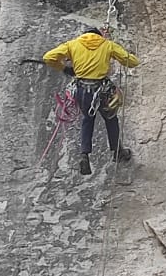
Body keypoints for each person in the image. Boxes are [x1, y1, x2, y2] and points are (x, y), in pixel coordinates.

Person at [43, 28, 139, 175]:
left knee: (87, 119)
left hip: (82, 90)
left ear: (84, 35)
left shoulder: (73, 44)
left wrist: (65, 68)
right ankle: (117, 151)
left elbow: (48, 57)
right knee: (111, 119)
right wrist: (129, 57)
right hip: (102, 90)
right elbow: (132, 62)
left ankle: (84, 155)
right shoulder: (108, 45)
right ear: (99, 35)